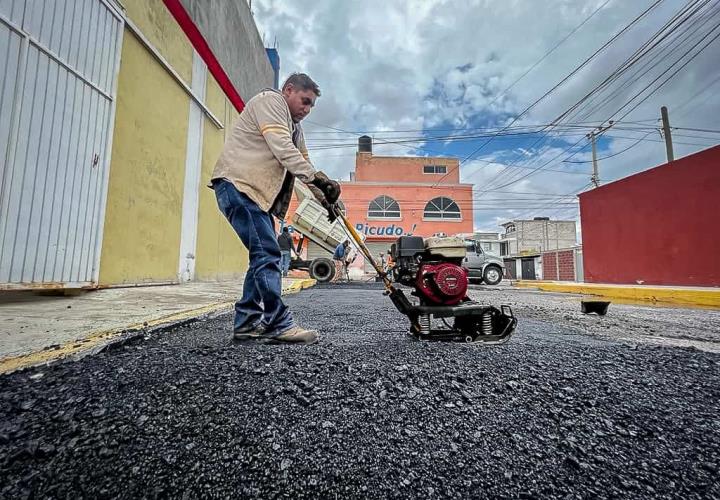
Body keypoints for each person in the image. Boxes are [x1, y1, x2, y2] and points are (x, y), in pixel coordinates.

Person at [210, 73, 340, 344]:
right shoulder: (270, 102)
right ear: (289, 90)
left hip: (255, 196)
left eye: (311, 106)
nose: (307, 109)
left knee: (260, 256)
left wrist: (326, 200)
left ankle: (246, 323)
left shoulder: (296, 129)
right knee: (267, 253)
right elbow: (283, 150)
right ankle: (279, 324)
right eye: (305, 101)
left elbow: (303, 164)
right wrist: (319, 178)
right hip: (239, 187)